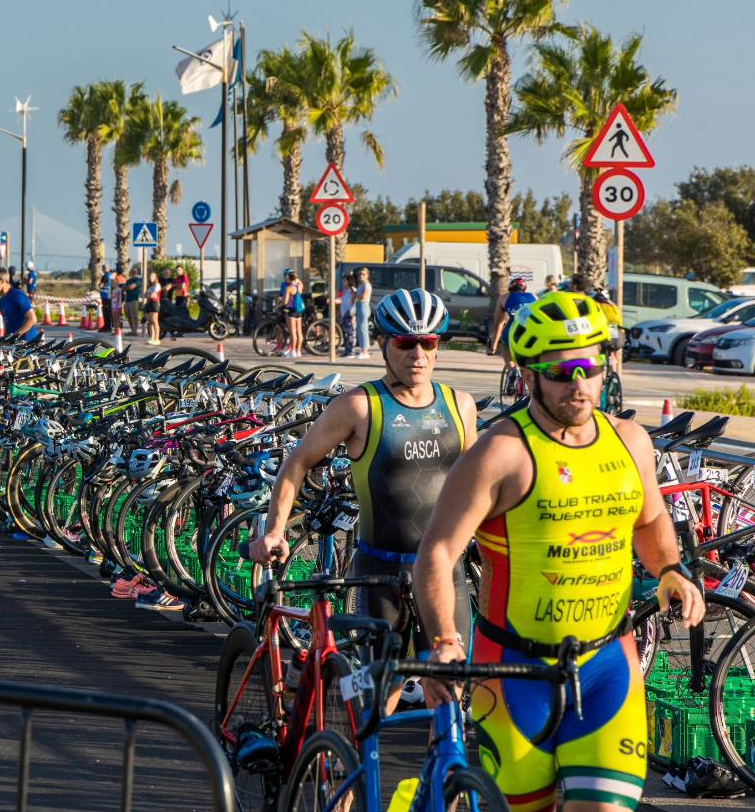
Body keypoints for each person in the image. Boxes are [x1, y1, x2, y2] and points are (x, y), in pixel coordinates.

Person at [413, 291, 704, 810]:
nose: (578, 383)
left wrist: (670, 569)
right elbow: (437, 553)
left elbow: (652, 517)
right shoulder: (501, 453)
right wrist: (443, 642)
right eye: (561, 370)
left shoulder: (630, 440)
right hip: (513, 674)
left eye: (590, 366)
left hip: (606, 664)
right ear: (529, 376)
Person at [252, 289, 477, 701]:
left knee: (447, 687)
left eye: (428, 343)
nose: (418, 354)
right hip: (379, 571)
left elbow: (477, 486)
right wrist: (275, 530)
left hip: (445, 571)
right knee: (381, 691)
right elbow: (297, 463)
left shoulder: (460, 405)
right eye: (405, 343)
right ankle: (356, 755)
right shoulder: (359, 407)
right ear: (382, 345)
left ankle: (439, 767)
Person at [488, 276, 539, 362]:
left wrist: (494, 346)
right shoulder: (534, 296)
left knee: (505, 345)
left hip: (514, 330)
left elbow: (499, 324)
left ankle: (512, 369)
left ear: (510, 288)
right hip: (532, 331)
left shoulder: (504, 297)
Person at [0, 268, 39, 343]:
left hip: (27, 342)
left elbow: (32, 319)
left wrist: (15, 336)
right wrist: (5, 340)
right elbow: (9, 325)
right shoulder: (1, 300)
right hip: (14, 343)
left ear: (2, 281)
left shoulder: (18, 295)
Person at [280, 268, 305, 358]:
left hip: (291, 311)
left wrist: (279, 305)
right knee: (299, 332)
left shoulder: (289, 288)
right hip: (299, 311)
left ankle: (293, 351)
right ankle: (298, 351)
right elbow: (300, 284)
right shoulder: (299, 286)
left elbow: (285, 302)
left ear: (289, 278)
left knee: (293, 332)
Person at [354, 267, 372, 359]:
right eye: (359, 274)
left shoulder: (367, 285)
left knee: (363, 328)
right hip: (359, 306)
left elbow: (364, 297)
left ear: (367, 275)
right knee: (360, 328)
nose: (361, 276)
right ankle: (362, 349)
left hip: (363, 306)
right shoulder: (361, 285)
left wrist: (355, 293)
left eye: (363, 274)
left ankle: (365, 351)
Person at [143, 270, 162, 345]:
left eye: (153, 276)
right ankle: (152, 338)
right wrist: (148, 295)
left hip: (154, 303)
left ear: (155, 277)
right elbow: (145, 295)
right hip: (149, 303)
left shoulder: (157, 285)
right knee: (150, 322)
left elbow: (152, 295)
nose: (151, 277)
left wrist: (148, 295)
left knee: (154, 321)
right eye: (150, 276)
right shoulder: (150, 286)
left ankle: (157, 339)